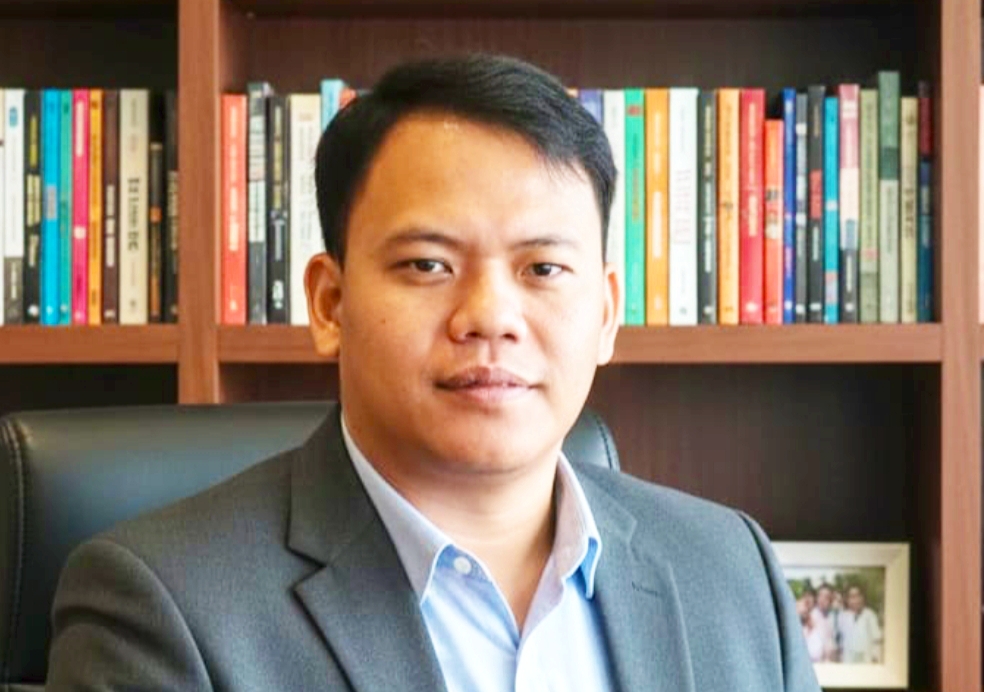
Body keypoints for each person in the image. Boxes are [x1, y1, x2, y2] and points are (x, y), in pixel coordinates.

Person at [44, 54, 820, 691]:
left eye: (543, 268)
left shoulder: (729, 568)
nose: (490, 316)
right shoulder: (162, 603)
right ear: (330, 303)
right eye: (427, 264)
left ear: (607, 314)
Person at [839, 585, 884, 663]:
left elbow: (877, 640)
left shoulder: (870, 615)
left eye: (858, 596)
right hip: (848, 660)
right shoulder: (843, 616)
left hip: (866, 660)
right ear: (847, 600)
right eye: (852, 597)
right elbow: (841, 641)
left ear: (862, 598)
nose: (855, 600)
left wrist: (875, 657)